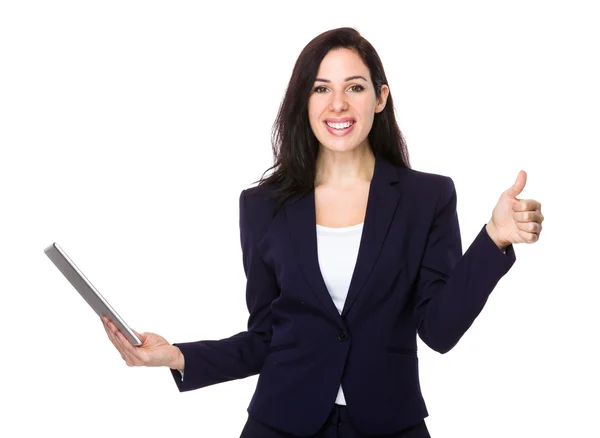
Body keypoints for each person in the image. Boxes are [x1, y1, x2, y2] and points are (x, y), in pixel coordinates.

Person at [101, 27, 544, 437]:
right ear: (304, 101)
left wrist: (494, 238)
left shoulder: (427, 197)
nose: (338, 104)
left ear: (380, 97)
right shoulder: (262, 206)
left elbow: (439, 331)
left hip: (389, 422)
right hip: (281, 422)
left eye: (355, 87)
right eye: (321, 89)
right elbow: (266, 337)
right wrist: (177, 356)